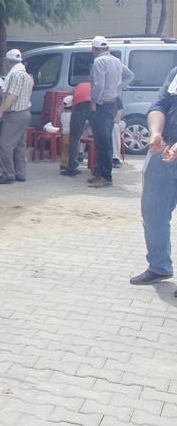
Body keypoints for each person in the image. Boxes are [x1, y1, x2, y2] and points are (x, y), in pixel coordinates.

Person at [129, 66, 177, 287]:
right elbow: (160, 105)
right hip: (163, 150)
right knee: (153, 213)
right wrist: (156, 133)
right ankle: (159, 266)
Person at [88, 36, 134, 188]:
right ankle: (101, 173)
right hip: (112, 102)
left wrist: (94, 100)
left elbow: (99, 84)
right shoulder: (115, 60)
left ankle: (105, 176)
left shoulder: (99, 61)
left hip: (102, 105)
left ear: (95, 49)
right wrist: (119, 87)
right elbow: (129, 75)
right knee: (104, 141)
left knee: (102, 142)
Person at [0, 49, 34, 184]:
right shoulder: (27, 75)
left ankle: (8, 174)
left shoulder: (15, 75)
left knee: (5, 145)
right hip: (25, 112)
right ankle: (21, 173)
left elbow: (12, 96)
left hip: (15, 113)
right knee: (20, 146)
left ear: (8, 61)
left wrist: (0, 111)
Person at [62, 81, 92, 177]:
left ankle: (72, 168)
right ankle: (97, 168)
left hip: (80, 106)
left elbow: (71, 101)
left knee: (74, 138)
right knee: (98, 138)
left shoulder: (77, 87)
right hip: (95, 105)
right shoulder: (94, 85)